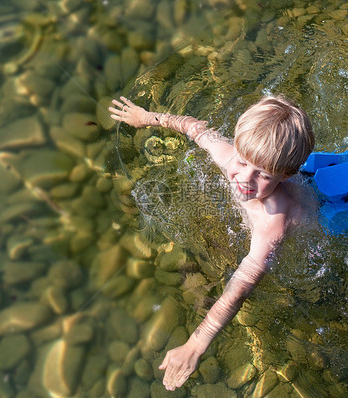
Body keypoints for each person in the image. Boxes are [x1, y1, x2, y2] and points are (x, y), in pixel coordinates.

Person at [109, 95, 316, 391]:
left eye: (262, 174)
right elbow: (194, 128)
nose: (244, 178)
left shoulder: (273, 223)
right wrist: (147, 118)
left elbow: (241, 285)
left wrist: (196, 344)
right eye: (243, 162)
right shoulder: (230, 157)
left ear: (285, 176)